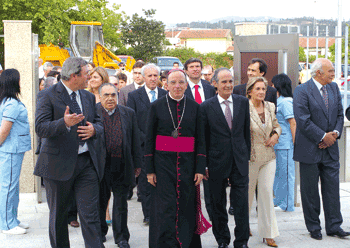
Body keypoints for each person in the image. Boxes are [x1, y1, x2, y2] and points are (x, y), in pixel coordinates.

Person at [34, 57, 105, 247]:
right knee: (59, 217)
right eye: (86, 73)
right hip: (58, 165)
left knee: (90, 215)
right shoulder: (47, 95)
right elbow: (40, 128)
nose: (89, 77)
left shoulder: (88, 96)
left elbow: (99, 123)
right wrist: (64, 123)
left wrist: (94, 130)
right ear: (74, 76)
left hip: (86, 164)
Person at [145, 69, 209, 248]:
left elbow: (201, 140)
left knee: (185, 207)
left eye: (181, 82)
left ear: (186, 85)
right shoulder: (156, 106)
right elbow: (149, 139)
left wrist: (200, 168)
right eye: (173, 82)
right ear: (166, 85)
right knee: (165, 209)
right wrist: (149, 170)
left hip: (188, 167)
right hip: (162, 166)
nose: (177, 86)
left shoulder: (195, 107)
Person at [293, 58, 350, 240]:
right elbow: (302, 119)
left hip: (330, 149)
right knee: (310, 192)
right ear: (318, 73)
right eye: (331, 71)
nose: (334, 73)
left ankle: (334, 226)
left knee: (332, 190)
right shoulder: (302, 90)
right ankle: (314, 227)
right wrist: (322, 136)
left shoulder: (333, 88)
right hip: (309, 149)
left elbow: (340, 114)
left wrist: (333, 134)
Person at [197, 68, 250, 248]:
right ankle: (222, 239)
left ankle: (242, 241)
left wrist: (246, 155)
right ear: (215, 84)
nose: (228, 85)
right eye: (224, 82)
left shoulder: (243, 103)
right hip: (215, 163)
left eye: (230, 81)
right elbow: (202, 138)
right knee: (217, 204)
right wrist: (202, 165)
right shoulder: (205, 107)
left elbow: (245, 133)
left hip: (239, 161)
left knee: (242, 204)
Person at [230, 57, 277, 216]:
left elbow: (273, 120)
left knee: (265, 190)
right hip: (247, 153)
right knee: (245, 191)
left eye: (253, 70)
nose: (249, 73)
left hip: (267, 151)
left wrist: (275, 134)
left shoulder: (270, 94)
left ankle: (265, 224)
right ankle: (243, 221)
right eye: (248, 70)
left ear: (262, 73)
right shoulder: (237, 90)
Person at [97, 83, 142, 247]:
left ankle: (122, 237)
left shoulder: (128, 113)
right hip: (100, 167)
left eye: (113, 95)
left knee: (121, 204)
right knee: (101, 202)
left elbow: (135, 140)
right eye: (106, 95)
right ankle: (100, 232)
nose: (110, 98)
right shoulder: (92, 112)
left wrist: (138, 163)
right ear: (100, 96)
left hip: (122, 164)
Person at [127, 64, 167, 226]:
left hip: (165, 145)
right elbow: (132, 121)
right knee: (145, 180)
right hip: (143, 145)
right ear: (143, 77)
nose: (152, 79)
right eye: (149, 76)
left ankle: (162, 211)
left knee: (163, 179)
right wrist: (145, 139)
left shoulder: (165, 94)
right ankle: (148, 214)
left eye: (155, 76)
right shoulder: (134, 96)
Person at [247, 77, 281, 247]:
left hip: (268, 156)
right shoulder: (243, 107)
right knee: (246, 196)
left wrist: (276, 135)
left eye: (263, 89)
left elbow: (277, 125)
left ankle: (268, 234)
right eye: (257, 89)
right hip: (250, 157)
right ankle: (243, 227)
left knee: (267, 194)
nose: (261, 92)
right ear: (250, 91)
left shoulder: (270, 106)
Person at [184, 57, 216, 220]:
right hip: (189, 139)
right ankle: (192, 214)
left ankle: (211, 212)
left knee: (209, 180)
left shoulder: (209, 88)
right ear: (186, 70)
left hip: (209, 140)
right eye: (192, 67)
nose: (195, 69)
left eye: (198, 66)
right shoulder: (181, 88)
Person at [0, 69, 31, 235]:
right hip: (10, 150)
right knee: (8, 187)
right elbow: (4, 131)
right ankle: (6, 225)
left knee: (12, 186)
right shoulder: (11, 104)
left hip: (14, 150)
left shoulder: (9, 101)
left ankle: (13, 219)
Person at [271, 74, 296, 212]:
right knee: (279, 174)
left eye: (273, 85)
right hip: (279, 144)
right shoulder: (279, 100)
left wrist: (295, 144)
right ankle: (280, 201)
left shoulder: (286, 102)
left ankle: (287, 204)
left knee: (286, 175)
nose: (271, 87)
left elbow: (293, 123)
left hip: (286, 145)